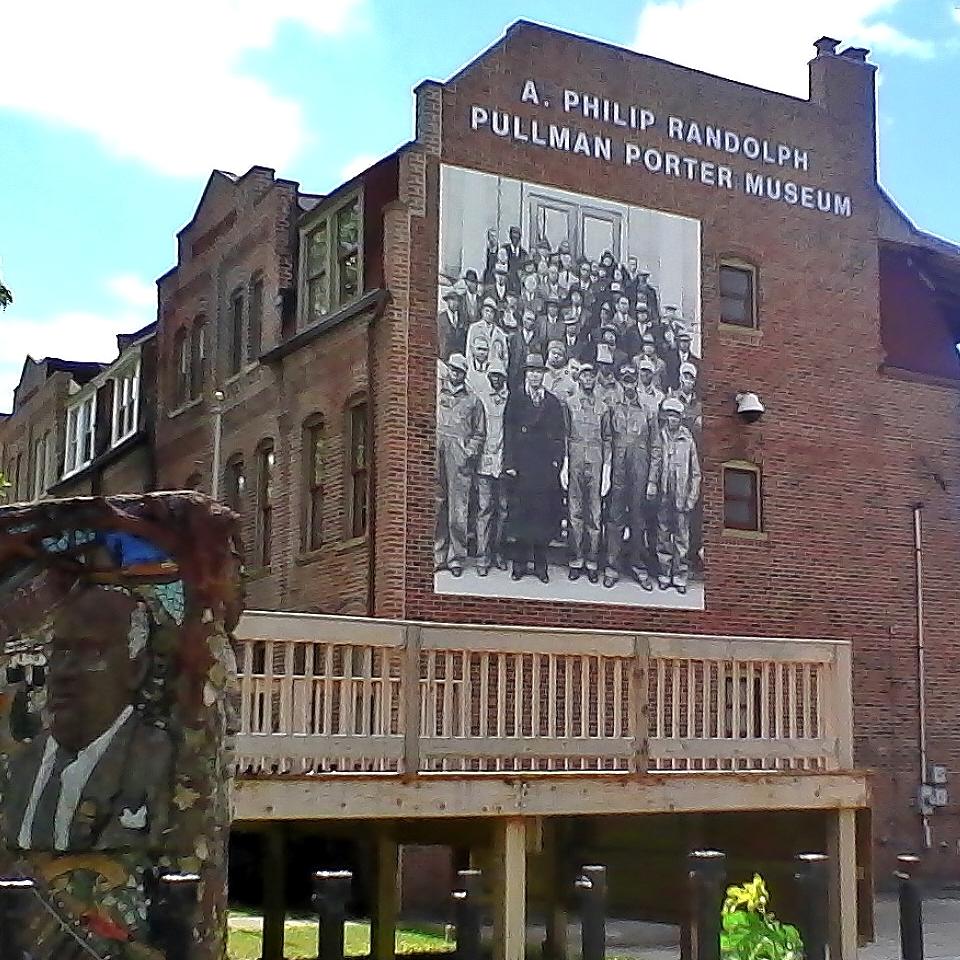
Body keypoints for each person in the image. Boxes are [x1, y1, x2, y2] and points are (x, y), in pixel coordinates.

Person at [2, 585, 173, 853]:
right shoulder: (20, 764)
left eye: (90, 652)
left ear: (136, 669)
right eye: (59, 652)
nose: (62, 672)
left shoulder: (158, 761)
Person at [503, 354, 566, 583]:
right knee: (521, 515)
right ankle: (520, 564)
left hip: (544, 469)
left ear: (544, 375)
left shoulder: (552, 402)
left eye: (539, 372)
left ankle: (541, 565)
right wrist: (509, 464)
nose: (535, 376)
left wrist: (556, 463)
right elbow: (508, 432)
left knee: (542, 516)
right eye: (531, 371)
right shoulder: (517, 398)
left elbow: (560, 436)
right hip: (521, 465)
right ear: (525, 374)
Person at [603, 363, 661, 589]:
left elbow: (655, 447)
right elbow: (607, 438)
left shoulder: (648, 410)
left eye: (632, 378)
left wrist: (653, 480)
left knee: (638, 520)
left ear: (637, 380)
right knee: (615, 518)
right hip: (618, 468)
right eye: (624, 378)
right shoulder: (612, 407)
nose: (628, 382)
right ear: (619, 380)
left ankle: (638, 567)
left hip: (640, 470)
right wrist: (607, 469)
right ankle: (612, 567)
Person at [435, 354, 486, 577]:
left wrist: (469, 452)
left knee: (458, 509)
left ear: (465, 375)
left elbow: (479, 433)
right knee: (438, 505)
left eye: (459, 371)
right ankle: (438, 554)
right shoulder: (437, 393)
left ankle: (456, 557)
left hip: (459, 457)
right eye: (453, 370)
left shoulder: (473, 400)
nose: (455, 374)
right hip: (437, 453)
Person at [563, 363, 611, 583]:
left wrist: (607, 469)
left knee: (595, 515)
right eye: (584, 375)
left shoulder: (603, 407)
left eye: (592, 376)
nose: (588, 379)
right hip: (575, 462)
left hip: (596, 464)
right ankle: (576, 560)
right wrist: (565, 463)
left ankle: (592, 562)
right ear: (579, 378)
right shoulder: (570, 404)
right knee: (575, 513)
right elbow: (565, 435)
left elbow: (608, 439)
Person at [652, 396, 701, 594]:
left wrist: (692, 497)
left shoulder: (688, 440)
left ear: (681, 418)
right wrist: (652, 485)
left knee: (682, 538)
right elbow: (655, 463)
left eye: (676, 416)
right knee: (663, 534)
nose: (672, 420)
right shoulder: (660, 437)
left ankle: (680, 575)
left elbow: (696, 473)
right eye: (669, 415)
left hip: (682, 495)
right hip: (664, 493)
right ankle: (664, 573)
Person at [474, 360, 510, 576]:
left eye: (499, 376)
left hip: (504, 461)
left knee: (503, 511)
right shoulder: (481, 399)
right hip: (485, 461)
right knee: (484, 510)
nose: (496, 379)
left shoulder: (510, 400)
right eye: (493, 376)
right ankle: (482, 556)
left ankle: (498, 553)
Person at [467, 297, 507, 365]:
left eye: (492, 312)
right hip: (478, 368)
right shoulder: (474, 328)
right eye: (487, 311)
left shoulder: (500, 333)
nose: (489, 314)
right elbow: (469, 351)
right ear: (482, 311)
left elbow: (505, 355)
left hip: (494, 369)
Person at [437, 287, 466, 359]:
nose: (455, 303)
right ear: (447, 301)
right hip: (444, 355)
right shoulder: (441, 318)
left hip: (459, 355)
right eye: (452, 300)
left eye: (457, 301)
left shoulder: (462, 318)